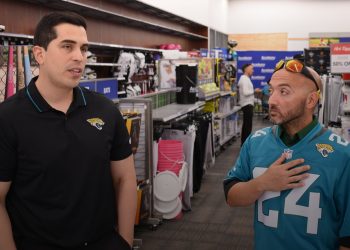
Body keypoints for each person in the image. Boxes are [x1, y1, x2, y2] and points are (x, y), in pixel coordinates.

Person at [0, 12, 137, 250]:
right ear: (39, 54)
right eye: (67, 46)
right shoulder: (8, 118)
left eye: (83, 49)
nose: (79, 57)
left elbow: (125, 179)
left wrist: (125, 242)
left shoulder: (105, 110)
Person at [224, 59, 350, 250]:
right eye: (271, 90)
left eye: (284, 91)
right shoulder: (255, 142)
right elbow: (231, 197)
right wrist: (262, 183)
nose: (272, 100)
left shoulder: (342, 155)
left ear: (311, 100)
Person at [238, 63, 255, 146]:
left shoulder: (246, 78)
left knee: (247, 125)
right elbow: (245, 92)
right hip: (246, 105)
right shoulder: (244, 79)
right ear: (246, 69)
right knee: (247, 126)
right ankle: (245, 144)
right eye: (251, 69)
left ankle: (245, 143)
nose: (253, 70)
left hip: (248, 104)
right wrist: (255, 91)